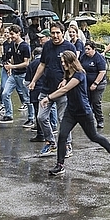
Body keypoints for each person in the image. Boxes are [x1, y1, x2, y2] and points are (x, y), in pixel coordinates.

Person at [43, 51, 110, 176]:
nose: (62, 64)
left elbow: (66, 89)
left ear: (71, 62)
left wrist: (49, 98)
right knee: (62, 136)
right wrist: (63, 80)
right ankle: (60, 165)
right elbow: (66, 82)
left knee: (93, 137)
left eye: (64, 62)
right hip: (71, 111)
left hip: (83, 111)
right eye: (61, 62)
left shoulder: (80, 74)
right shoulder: (68, 74)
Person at [30, 22, 77, 154]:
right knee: (41, 117)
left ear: (63, 33)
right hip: (46, 88)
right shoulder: (47, 46)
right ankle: (51, 142)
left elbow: (74, 68)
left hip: (62, 90)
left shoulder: (69, 47)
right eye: (53, 33)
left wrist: (65, 80)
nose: (55, 35)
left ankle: (67, 145)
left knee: (63, 119)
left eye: (58, 33)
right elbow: (42, 65)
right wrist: (34, 80)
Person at [0, 25, 32, 125]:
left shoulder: (25, 46)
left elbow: (26, 63)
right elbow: (13, 57)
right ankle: (9, 115)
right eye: (9, 33)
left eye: (12, 34)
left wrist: (12, 67)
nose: (10, 36)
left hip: (23, 74)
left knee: (27, 97)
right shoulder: (12, 45)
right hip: (13, 74)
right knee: (5, 93)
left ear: (18, 34)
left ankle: (31, 118)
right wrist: (10, 67)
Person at [80, 40, 108, 128]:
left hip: (98, 83)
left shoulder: (99, 58)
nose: (86, 51)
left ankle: (100, 120)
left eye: (88, 49)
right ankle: (88, 119)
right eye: (85, 49)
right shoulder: (84, 57)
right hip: (86, 83)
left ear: (94, 49)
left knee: (96, 102)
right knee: (86, 102)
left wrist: (95, 83)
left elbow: (102, 72)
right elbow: (80, 67)